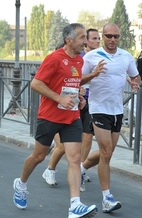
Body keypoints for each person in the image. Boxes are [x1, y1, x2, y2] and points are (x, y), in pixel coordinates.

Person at [11, 23, 98, 218]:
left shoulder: (78, 61)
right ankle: (21, 184)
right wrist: (59, 99)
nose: (85, 41)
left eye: (86, 37)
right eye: (82, 37)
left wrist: (79, 96)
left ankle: (75, 204)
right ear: (69, 40)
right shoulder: (54, 58)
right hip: (49, 117)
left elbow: (70, 83)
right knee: (39, 156)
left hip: (71, 117)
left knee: (74, 159)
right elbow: (36, 83)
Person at [80, 23, 140, 213]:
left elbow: (136, 77)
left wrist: (134, 83)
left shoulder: (126, 56)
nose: (112, 39)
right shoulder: (90, 57)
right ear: (102, 36)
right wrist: (94, 74)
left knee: (109, 152)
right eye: (108, 36)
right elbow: (77, 80)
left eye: (116, 36)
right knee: (105, 152)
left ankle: (81, 169)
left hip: (117, 110)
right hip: (98, 109)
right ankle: (107, 198)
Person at [43, 28, 101, 191]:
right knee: (61, 146)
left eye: (99, 38)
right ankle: (50, 169)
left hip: (86, 101)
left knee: (87, 138)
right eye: (93, 38)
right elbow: (53, 81)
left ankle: (79, 171)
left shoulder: (100, 57)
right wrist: (74, 89)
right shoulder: (71, 55)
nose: (97, 41)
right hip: (60, 105)